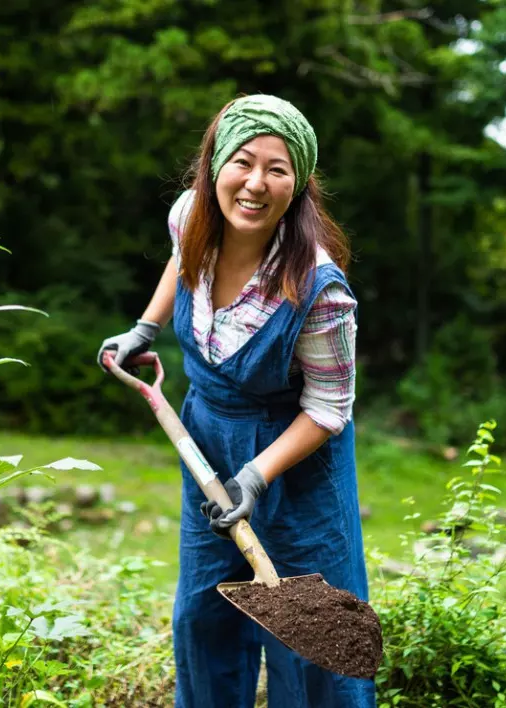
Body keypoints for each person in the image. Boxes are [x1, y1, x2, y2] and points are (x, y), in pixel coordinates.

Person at [97, 94, 372, 708]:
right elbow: (180, 260)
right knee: (204, 618)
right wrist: (145, 327)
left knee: (314, 642)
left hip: (295, 464)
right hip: (207, 440)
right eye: (243, 162)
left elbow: (330, 408)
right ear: (214, 165)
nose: (256, 183)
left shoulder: (319, 289)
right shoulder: (189, 215)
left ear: (297, 185)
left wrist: (256, 474)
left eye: (277, 169)